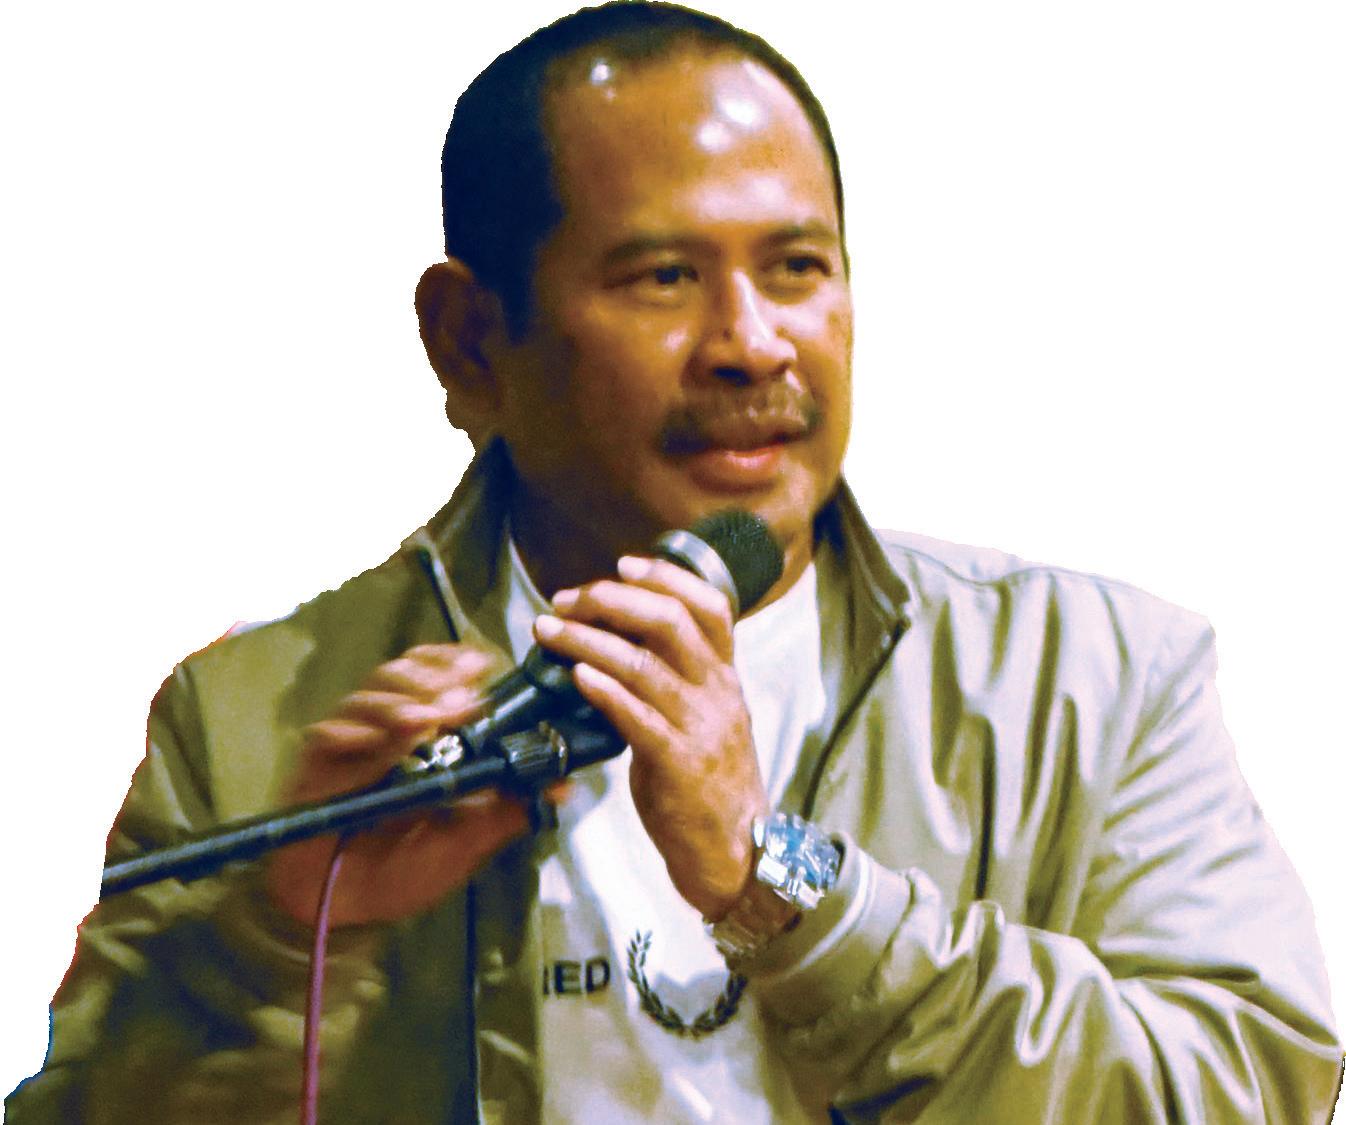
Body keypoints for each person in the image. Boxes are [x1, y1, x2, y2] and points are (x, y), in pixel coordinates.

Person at [6, 3, 1342, 1122]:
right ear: (470, 341)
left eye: (797, 267)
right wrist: (278, 935)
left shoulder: (1092, 680)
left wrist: (786, 889)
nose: (751, 342)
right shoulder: (254, 721)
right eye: (660, 278)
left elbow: (1253, 1087)